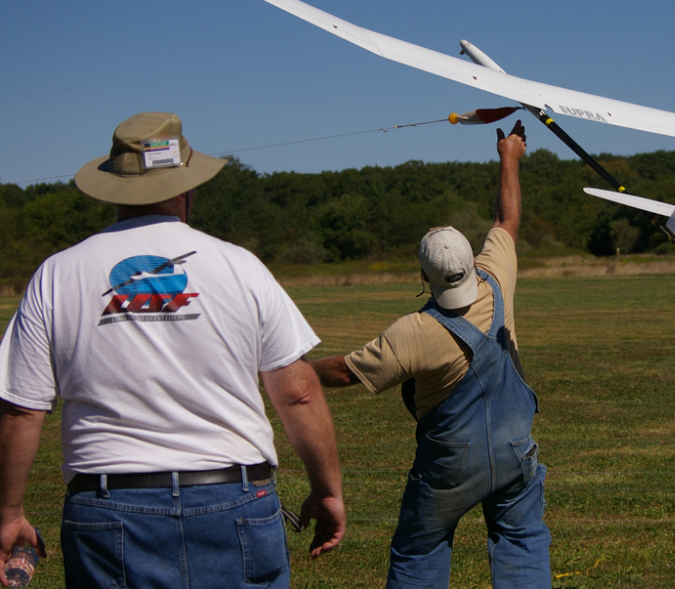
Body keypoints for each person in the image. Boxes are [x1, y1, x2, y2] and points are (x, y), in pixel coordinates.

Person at [0, 112, 345, 589]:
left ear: (112, 186)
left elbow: (21, 409)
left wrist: (9, 513)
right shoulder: (241, 265)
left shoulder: (57, 274)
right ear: (186, 187)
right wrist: (327, 492)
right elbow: (299, 393)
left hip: (107, 506)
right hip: (234, 498)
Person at [310, 119, 550, 589]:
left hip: (448, 465)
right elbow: (506, 220)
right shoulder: (496, 278)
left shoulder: (414, 332)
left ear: (424, 278)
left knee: (419, 550)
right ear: (470, 263)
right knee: (522, 543)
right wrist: (509, 158)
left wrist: (291, 370)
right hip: (515, 448)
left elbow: (345, 372)